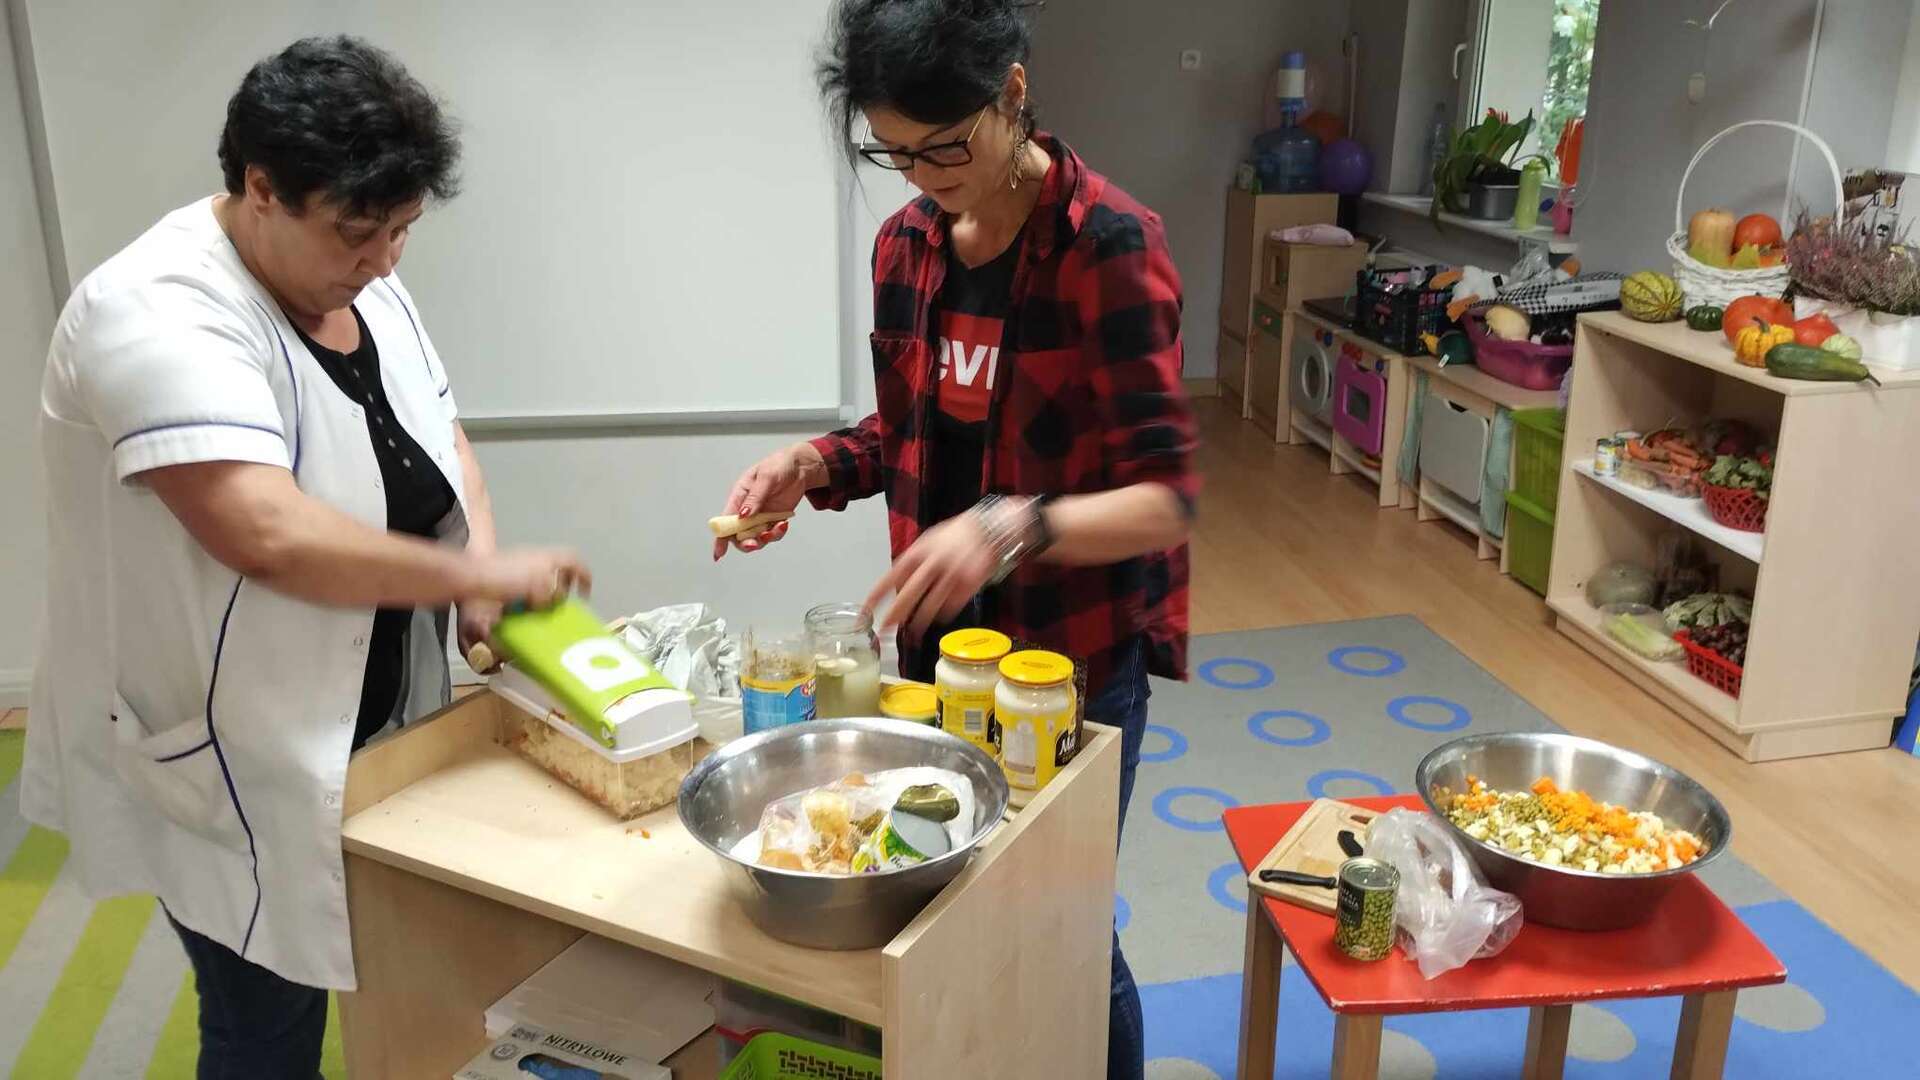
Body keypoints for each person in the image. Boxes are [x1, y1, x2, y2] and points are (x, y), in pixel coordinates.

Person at [23, 36, 589, 1078]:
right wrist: (476, 577)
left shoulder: (360, 284)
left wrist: (478, 566)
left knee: (395, 978)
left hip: (364, 725)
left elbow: (442, 436)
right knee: (266, 1025)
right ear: (261, 188)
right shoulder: (150, 310)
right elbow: (263, 531)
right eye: (359, 233)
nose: (384, 262)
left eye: (403, 230)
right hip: (229, 749)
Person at [713, 3, 1198, 1075]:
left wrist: (1012, 528)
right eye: (892, 151)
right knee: (935, 907)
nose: (921, 176)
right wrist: (810, 467)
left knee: (1064, 925)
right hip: (934, 658)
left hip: (1064, 666)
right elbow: (910, 432)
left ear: (1011, 93)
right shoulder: (906, 247)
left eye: (944, 146)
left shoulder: (1109, 246)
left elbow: (1166, 497)